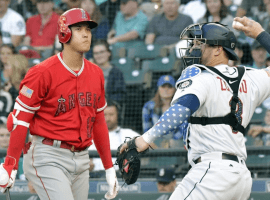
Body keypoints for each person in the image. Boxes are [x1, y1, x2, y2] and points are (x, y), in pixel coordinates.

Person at [119, 21, 265, 199]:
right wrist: (260, 34)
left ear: (218, 49)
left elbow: (181, 110)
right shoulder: (250, 77)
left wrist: (145, 139)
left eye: (199, 43)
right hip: (241, 178)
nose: (192, 48)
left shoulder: (200, 74)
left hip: (212, 173)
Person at [0, 8, 119, 200]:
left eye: (88, 29)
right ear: (65, 32)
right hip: (48, 155)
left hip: (81, 158)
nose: (86, 34)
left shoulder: (96, 73)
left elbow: (98, 122)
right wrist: (10, 165)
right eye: (79, 28)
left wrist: (108, 167)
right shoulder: (42, 72)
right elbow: (19, 121)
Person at [89, 99, 140, 176]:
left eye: (111, 114)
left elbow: (150, 145)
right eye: (104, 115)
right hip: (95, 177)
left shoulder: (128, 133)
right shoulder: (88, 136)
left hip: (121, 177)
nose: (108, 119)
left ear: (118, 115)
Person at [142, 75, 182, 148]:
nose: (166, 90)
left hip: (176, 143)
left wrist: (171, 141)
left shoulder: (180, 106)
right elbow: (146, 129)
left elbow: (183, 130)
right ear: (158, 89)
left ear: (174, 89)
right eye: (163, 87)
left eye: (169, 87)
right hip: (155, 143)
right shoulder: (148, 106)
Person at [92, 40, 126, 104]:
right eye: (96, 53)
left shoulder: (116, 73)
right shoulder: (89, 72)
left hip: (108, 108)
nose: (99, 55)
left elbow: (119, 95)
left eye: (101, 52)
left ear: (109, 53)